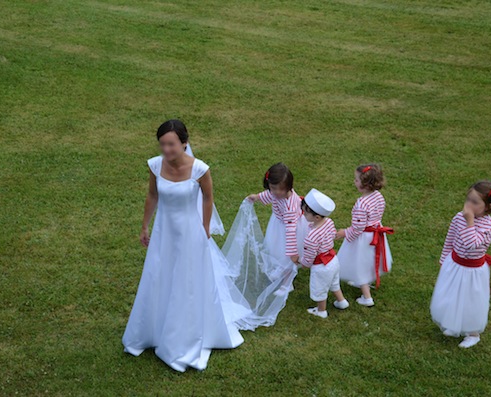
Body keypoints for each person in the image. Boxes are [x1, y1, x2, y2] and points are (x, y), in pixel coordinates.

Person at [122, 120, 251, 372]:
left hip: (190, 233)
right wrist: (145, 226)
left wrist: (204, 227)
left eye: (171, 144)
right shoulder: (155, 165)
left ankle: (182, 335)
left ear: (184, 143)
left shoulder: (200, 169)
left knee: (187, 282)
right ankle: (153, 329)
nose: (166, 150)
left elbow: (208, 197)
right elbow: (152, 195)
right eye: (162, 144)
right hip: (163, 232)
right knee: (159, 276)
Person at [430, 180, 491, 348]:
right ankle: (454, 324)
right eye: (468, 199)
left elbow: (471, 243)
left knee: (470, 300)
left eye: (474, 202)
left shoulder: (489, 225)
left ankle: (473, 333)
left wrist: (469, 221)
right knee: (453, 295)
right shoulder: (458, 218)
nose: (468, 205)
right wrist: (444, 258)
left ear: (488, 207)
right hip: (455, 264)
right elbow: (450, 239)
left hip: (473, 270)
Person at [336, 164, 393, 307]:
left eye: (356, 179)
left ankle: (367, 298)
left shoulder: (361, 204)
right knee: (368, 261)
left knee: (359, 264)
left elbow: (357, 228)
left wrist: (343, 233)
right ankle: (364, 280)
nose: (354, 181)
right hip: (375, 235)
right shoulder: (378, 196)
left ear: (365, 185)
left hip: (363, 239)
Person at [246, 163, 306, 296]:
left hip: (290, 230)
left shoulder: (290, 207)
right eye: (273, 188)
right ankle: (280, 270)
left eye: (281, 189)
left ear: (289, 187)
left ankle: (287, 284)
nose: (277, 192)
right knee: (276, 252)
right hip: (279, 224)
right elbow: (270, 195)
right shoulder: (276, 193)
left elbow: (290, 232)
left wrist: (292, 252)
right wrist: (257, 197)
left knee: (286, 257)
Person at [297, 189, 349, 318]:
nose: (303, 214)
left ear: (317, 217)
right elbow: (331, 235)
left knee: (320, 288)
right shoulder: (329, 222)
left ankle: (321, 310)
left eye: (305, 212)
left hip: (321, 266)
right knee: (333, 282)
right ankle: (341, 301)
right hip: (333, 260)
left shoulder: (311, 237)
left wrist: (302, 262)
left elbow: (309, 256)